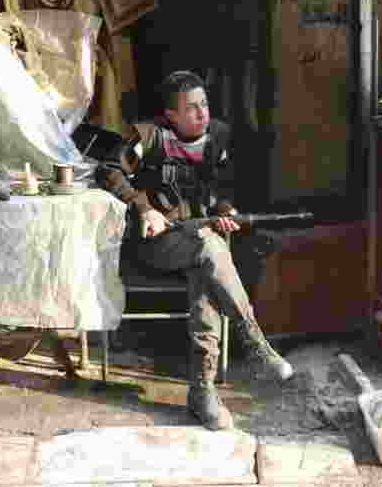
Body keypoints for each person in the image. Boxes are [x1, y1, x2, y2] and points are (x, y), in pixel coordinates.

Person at [97, 70, 293, 431]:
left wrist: (224, 212)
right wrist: (144, 208)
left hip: (201, 245)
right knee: (211, 252)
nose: (202, 113)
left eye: (204, 104)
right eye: (192, 108)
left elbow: (222, 190)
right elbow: (108, 171)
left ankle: (202, 392)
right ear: (171, 115)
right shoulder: (150, 136)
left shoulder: (218, 137)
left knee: (208, 268)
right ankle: (254, 343)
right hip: (155, 245)